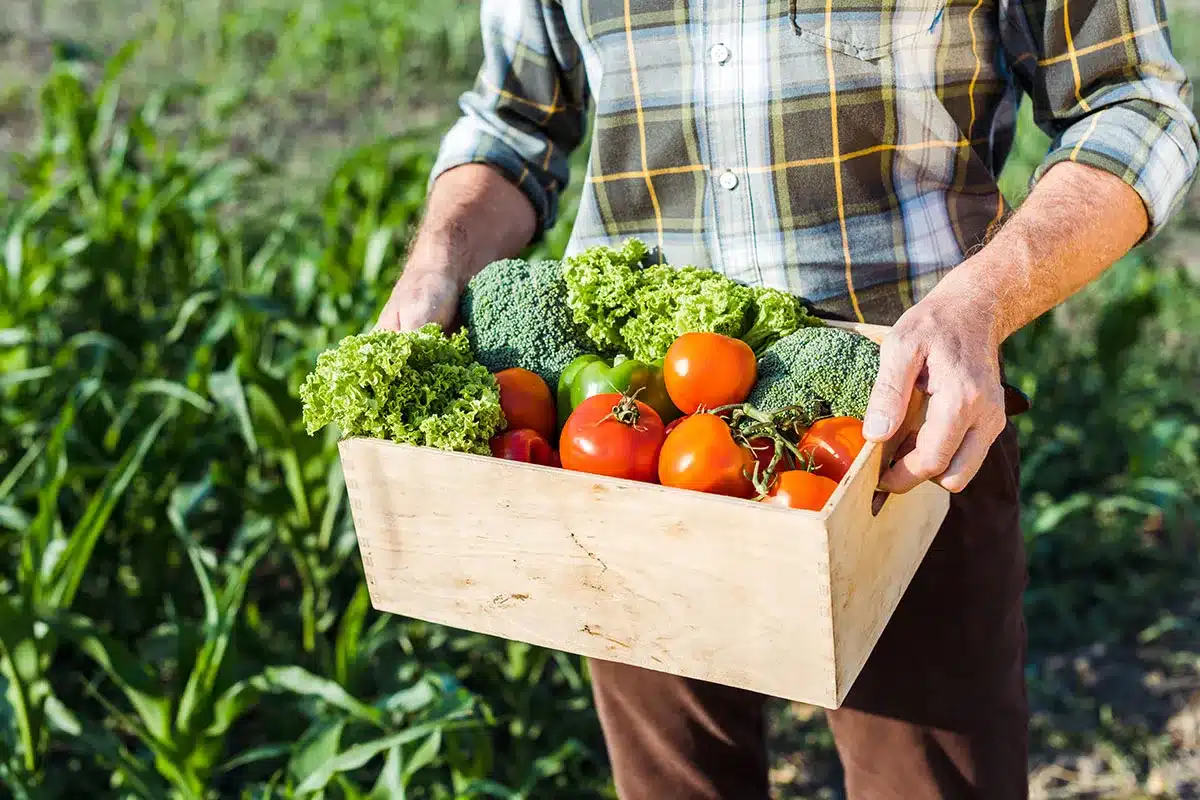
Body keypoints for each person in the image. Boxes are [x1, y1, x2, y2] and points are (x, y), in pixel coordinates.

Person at [377, 1, 1199, 797]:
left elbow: (1134, 104)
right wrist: (435, 264)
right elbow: (515, 122)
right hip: (636, 453)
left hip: (905, 440)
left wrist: (983, 298)